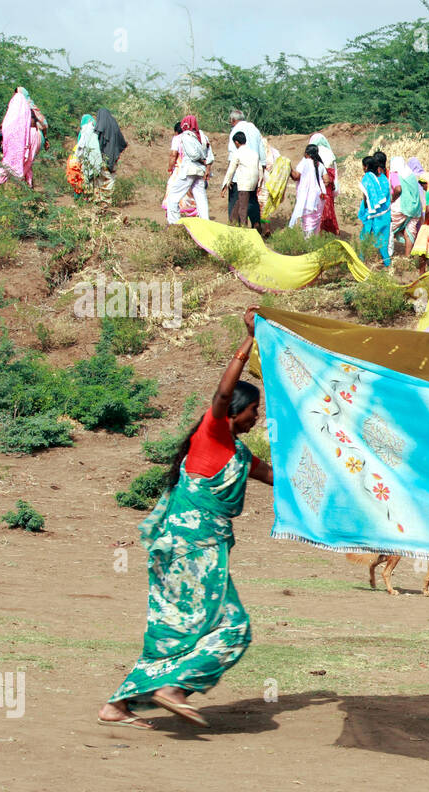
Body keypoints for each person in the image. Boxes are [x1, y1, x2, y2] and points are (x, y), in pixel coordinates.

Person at [98, 309, 273, 730]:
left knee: (176, 629)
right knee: (233, 627)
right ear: (237, 410)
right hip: (190, 549)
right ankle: (174, 689)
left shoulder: (241, 454)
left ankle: (118, 706)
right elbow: (219, 393)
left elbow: (279, 479)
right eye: (254, 411)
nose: (258, 418)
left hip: (199, 550)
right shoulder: (213, 434)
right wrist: (248, 343)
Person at [164, 115, 213, 224]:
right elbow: (210, 156)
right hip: (201, 171)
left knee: (173, 196)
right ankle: (206, 223)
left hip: (189, 169)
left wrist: (201, 160)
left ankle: (174, 223)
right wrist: (207, 168)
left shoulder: (186, 136)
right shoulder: (203, 136)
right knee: (201, 197)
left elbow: (193, 155)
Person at [0, 87, 47, 187]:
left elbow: (7, 124)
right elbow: (44, 124)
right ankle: (26, 186)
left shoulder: (23, 107)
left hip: (27, 137)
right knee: (26, 160)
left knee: (13, 159)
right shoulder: (26, 107)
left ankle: (6, 183)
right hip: (28, 138)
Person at [220, 130, 262, 227]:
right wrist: (259, 184)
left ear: (236, 142)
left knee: (243, 208)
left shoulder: (238, 153)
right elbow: (260, 168)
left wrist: (225, 185)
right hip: (254, 183)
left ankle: (244, 229)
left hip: (244, 184)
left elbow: (231, 170)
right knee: (242, 203)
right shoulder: (254, 153)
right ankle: (233, 223)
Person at [288, 143, 327, 237]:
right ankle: (314, 241)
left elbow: (296, 177)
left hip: (308, 197)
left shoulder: (305, 162)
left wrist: (288, 167)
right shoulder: (320, 165)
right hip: (320, 197)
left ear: (306, 153)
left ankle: (308, 242)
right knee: (315, 221)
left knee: (308, 220)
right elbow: (327, 180)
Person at [359, 154, 392, 262]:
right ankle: (387, 263)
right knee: (383, 241)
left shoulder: (367, 179)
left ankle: (361, 261)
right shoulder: (383, 178)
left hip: (372, 214)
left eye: (363, 166)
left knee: (365, 237)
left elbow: (366, 198)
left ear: (367, 166)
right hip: (385, 214)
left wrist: (364, 212)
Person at [389, 155, 424, 256]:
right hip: (415, 208)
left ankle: (387, 254)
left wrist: (392, 199)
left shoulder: (395, 174)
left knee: (389, 228)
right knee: (410, 231)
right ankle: (408, 256)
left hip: (401, 207)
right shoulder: (411, 174)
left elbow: (398, 189)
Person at [92, 107, 127, 205]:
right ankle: (106, 199)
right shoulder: (114, 125)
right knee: (110, 177)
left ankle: (101, 200)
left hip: (102, 158)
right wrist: (115, 152)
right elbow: (123, 143)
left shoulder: (100, 128)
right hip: (113, 158)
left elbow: (97, 144)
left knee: (101, 178)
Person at [314, 135, 342, 237]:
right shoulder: (330, 153)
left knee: (320, 208)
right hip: (330, 183)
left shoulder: (315, 152)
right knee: (329, 206)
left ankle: (320, 232)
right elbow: (334, 172)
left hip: (320, 182)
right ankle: (331, 231)